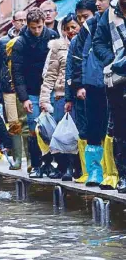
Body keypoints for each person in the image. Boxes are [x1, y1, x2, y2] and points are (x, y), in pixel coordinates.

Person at [11, 7, 59, 179]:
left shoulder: (52, 36)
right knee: (34, 129)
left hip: (50, 88)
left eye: (39, 27)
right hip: (31, 91)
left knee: (51, 128)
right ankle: (37, 165)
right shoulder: (21, 43)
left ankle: (51, 164)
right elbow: (17, 72)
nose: (37, 31)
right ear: (28, 26)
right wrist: (24, 98)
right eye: (33, 27)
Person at [40, 14, 82, 181]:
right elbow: (50, 75)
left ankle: (78, 167)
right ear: (63, 29)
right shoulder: (57, 47)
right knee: (62, 133)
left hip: (80, 94)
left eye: (74, 27)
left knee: (79, 133)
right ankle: (65, 168)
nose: (71, 31)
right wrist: (44, 99)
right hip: (61, 95)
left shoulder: (86, 43)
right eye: (68, 28)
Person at [93, 0, 126, 193]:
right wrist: (114, 60)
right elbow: (98, 43)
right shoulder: (110, 13)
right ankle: (123, 176)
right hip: (117, 80)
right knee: (121, 129)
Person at [65, 0, 100, 184]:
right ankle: (89, 171)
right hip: (82, 90)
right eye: (79, 18)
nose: (81, 21)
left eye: (85, 17)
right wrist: (74, 91)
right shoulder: (76, 40)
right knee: (84, 130)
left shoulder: (100, 31)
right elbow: (71, 69)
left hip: (101, 87)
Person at [0, 10, 28, 170]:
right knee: (14, 122)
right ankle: (17, 159)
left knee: (27, 122)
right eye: (19, 20)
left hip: (26, 86)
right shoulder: (2, 42)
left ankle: (30, 161)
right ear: (13, 22)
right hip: (8, 87)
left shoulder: (29, 39)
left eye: (24, 20)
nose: (21, 23)